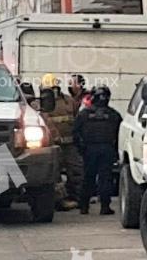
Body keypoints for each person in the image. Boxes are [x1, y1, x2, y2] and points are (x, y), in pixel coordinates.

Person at [73, 85, 122, 215]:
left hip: (90, 150)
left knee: (88, 177)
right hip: (106, 149)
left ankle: (84, 206)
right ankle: (105, 207)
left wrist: (81, 150)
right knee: (105, 178)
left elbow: (75, 134)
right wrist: (116, 152)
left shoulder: (84, 114)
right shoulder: (113, 115)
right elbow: (120, 136)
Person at [39, 73, 82, 211]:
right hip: (54, 145)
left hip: (70, 146)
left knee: (76, 171)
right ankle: (59, 201)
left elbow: (76, 119)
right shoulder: (41, 105)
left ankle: (78, 198)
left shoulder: (69, 101)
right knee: (54, 174)